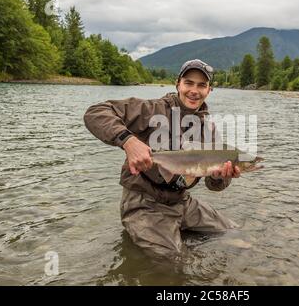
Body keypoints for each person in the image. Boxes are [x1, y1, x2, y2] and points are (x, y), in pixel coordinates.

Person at [83, 59, 240, 257]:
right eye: (188, 83)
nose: (194, 90)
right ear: (178, 84)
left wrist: (219, 177)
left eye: (202, 85)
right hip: (144, 202)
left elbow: (214, 186)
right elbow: (95, 113)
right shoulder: (151, 109)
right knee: (170, 262)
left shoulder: (208, 130)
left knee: (232, 233)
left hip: (182, 201)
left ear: (209, 90)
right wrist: (128, 141)